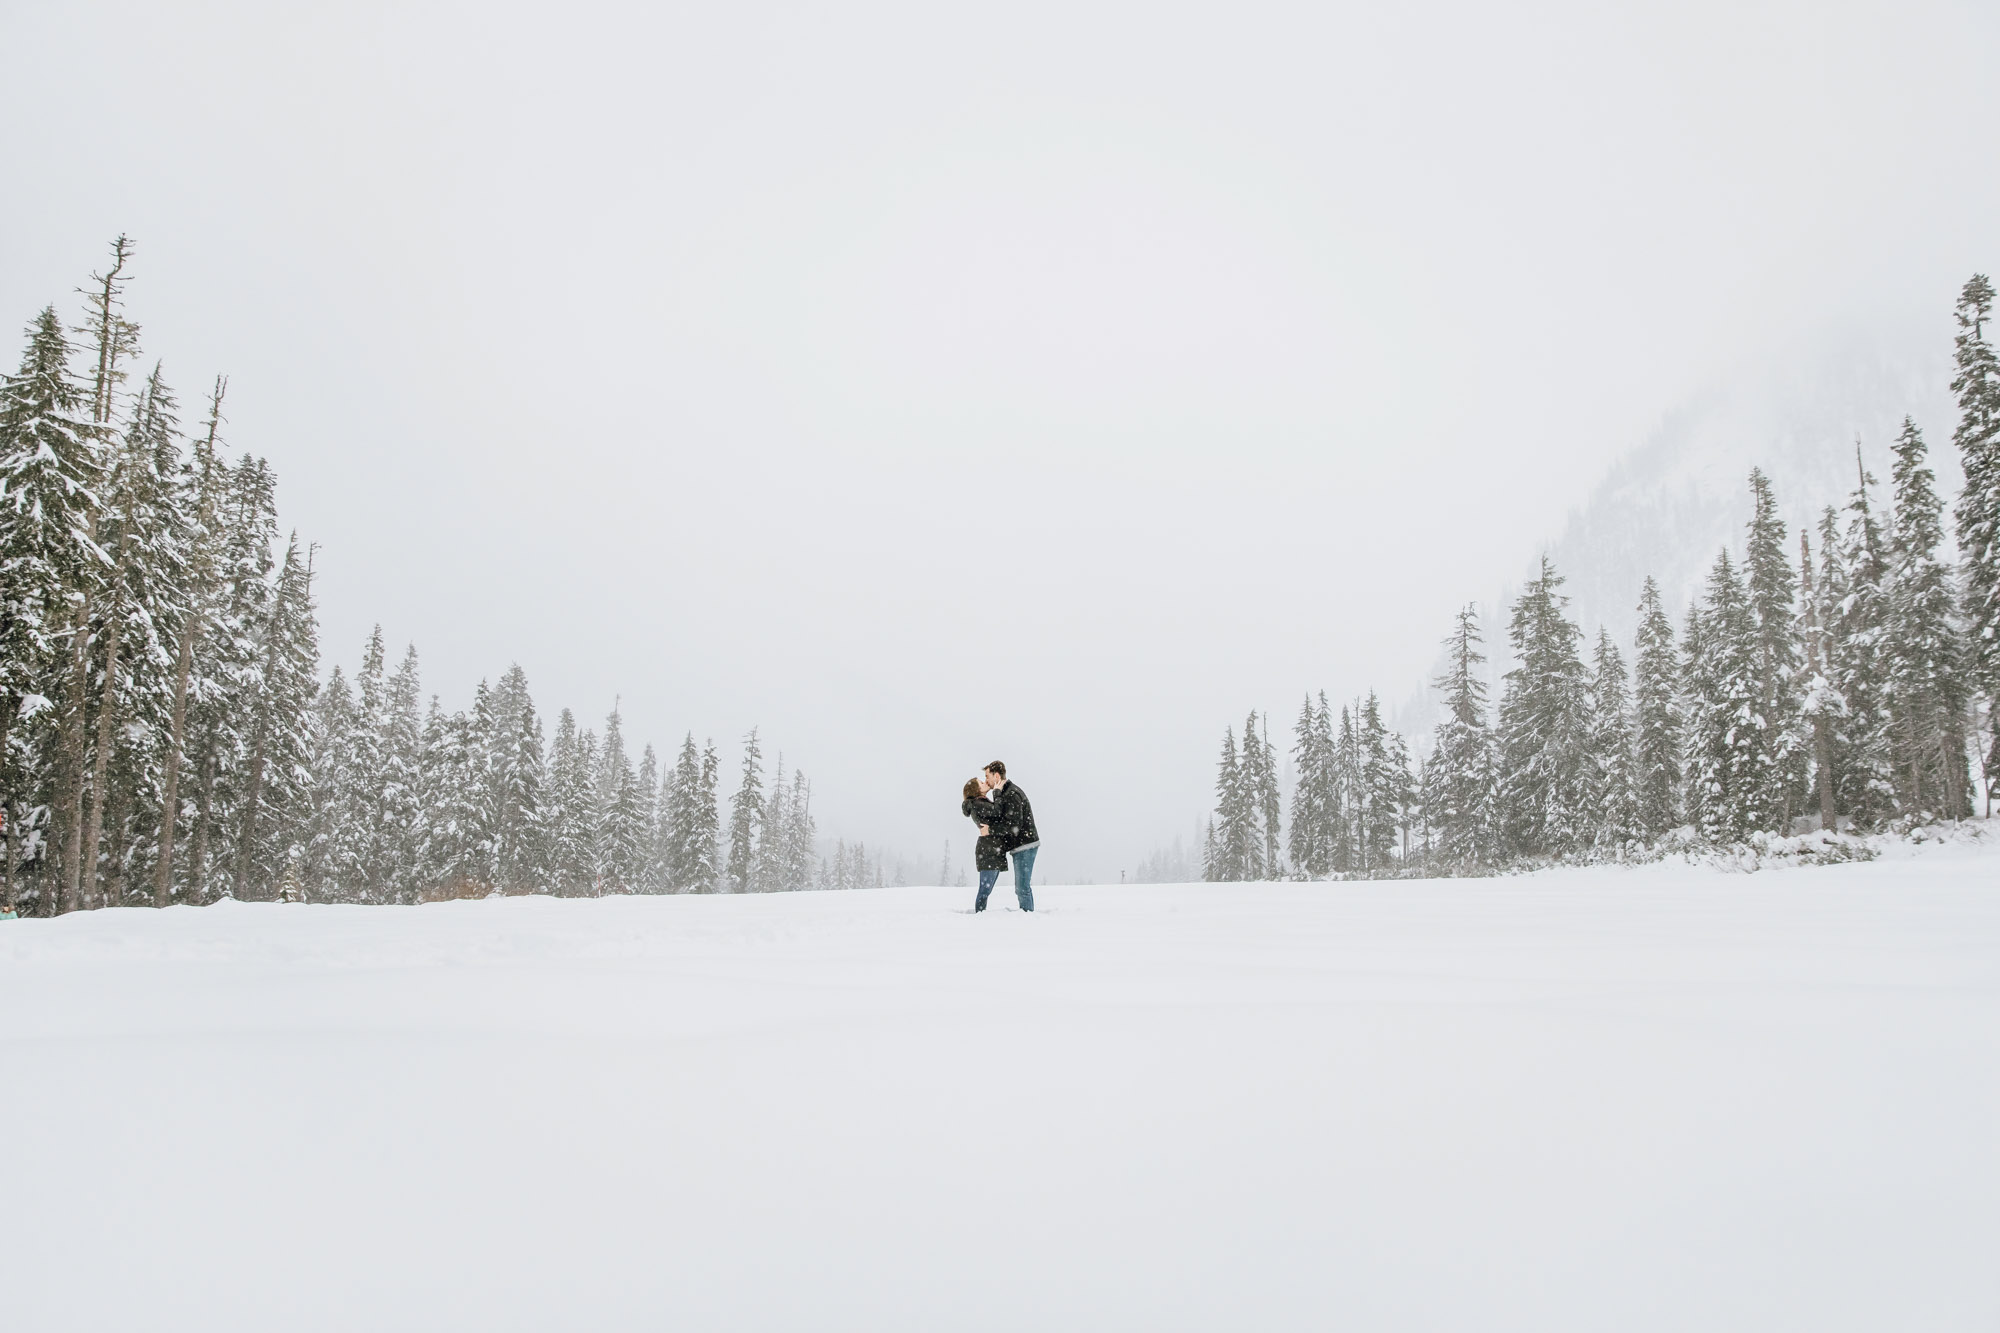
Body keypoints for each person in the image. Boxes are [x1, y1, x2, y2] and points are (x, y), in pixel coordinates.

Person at [980, 760, 1039, 912]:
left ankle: (1029, 918)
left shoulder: (1011, 793)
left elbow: (1014, 825)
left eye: (987, 776)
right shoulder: (1005, 793)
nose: (986, 780)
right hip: (1020, 846)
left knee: (1022, 888)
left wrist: (990, 830)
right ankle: (1028, 916)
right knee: (1022, 888)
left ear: (997, 776)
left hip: (1025, 846)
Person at [962, 776, 1010, 912]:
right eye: (981, 783)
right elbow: (998, 811)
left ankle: (981, 915)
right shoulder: (978, 803)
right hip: (989, 849)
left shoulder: (980, 802)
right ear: (976, 790)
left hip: (991, 848)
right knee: (984, 891)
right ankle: (980, 917)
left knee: (986, 890)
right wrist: (997, 792)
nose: (985, 783)